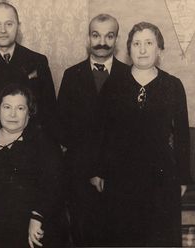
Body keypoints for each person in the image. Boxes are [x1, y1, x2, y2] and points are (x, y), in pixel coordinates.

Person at [95, 22, 191, 246]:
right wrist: (98, 170)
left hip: (161, 179)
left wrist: (183, 177)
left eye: (149, 43)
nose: (143, 49)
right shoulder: (113, 86)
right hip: (121, 178)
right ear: (129, 50)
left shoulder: (173, 86)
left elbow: (183, 135)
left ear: (160, 50)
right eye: (137, 44)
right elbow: (101, 132)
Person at [56, 13, 129, 246]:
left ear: (116, 40)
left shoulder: (129, 76)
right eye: (96, 35)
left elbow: (129, 134)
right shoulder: (71, 75)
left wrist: (106, 170)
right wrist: (89, 170)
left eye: (109, 36)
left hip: (118, 177)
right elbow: (62, 128)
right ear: (88, 38)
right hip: (80, 177)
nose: (102, 42)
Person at [0, 84, 67, 248]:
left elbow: (54, 186)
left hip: (36, 222)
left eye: (20, 108)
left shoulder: (44, 142)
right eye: (7, 107)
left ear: (29, 112)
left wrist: (37, 217)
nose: (12, 114)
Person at [0, 2, 58, 141]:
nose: (3, 30)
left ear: (18, 26)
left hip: (30, 143)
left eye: (9, 24)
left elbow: (49, 109)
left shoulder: (38, 61)